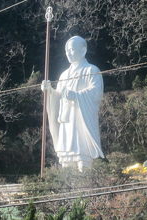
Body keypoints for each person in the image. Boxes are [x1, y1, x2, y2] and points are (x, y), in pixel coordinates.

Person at [41, 36, 104, 171]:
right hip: (67, 119)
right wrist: (49, 91)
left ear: (83, 50)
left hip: (81, 119)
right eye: (66, 51)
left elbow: (96, 93)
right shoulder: (64, 75)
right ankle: (67, 183)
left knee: (82, 154)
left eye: (71, 50)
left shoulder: (91, 70)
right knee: (67, 156)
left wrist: (76, 95)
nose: (68, 53)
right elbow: (58, 96)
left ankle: (85, 179)